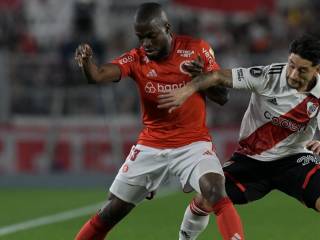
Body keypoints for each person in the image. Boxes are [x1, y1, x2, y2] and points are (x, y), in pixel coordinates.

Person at [158, 34, 320, 240]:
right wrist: (188, 89)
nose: (292, 74)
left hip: (294, 160)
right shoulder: (268, 75)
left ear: (317, 70)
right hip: (250, 160)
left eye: (302, 70)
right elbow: (219, 76)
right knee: (204, 199)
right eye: (291, 65)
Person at [73, 2, 245, 240]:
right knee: (112, 211)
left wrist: (201, 78)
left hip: (192, 144)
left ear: (167, 28)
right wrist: (86, 65)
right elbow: (98, 75)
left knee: (215, 190)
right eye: (141, 38)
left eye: (151, 36)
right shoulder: (137, 58)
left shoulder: (198, 49)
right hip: (151, 145)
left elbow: (223, 97)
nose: (146, 44)